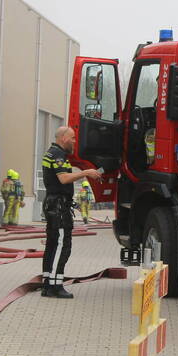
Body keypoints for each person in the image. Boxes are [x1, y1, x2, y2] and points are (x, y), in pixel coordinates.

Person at [41, 126, 100, 298]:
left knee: (52, 244)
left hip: (54, 204)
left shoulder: (52, 153)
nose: (74, 141)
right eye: (72, 138)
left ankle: (47, 283)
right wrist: (86, 172)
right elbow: (63, 178)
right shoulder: (58, 155)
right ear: (63, 138)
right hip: (59, 207)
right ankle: (55, 286)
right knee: (62, 245)